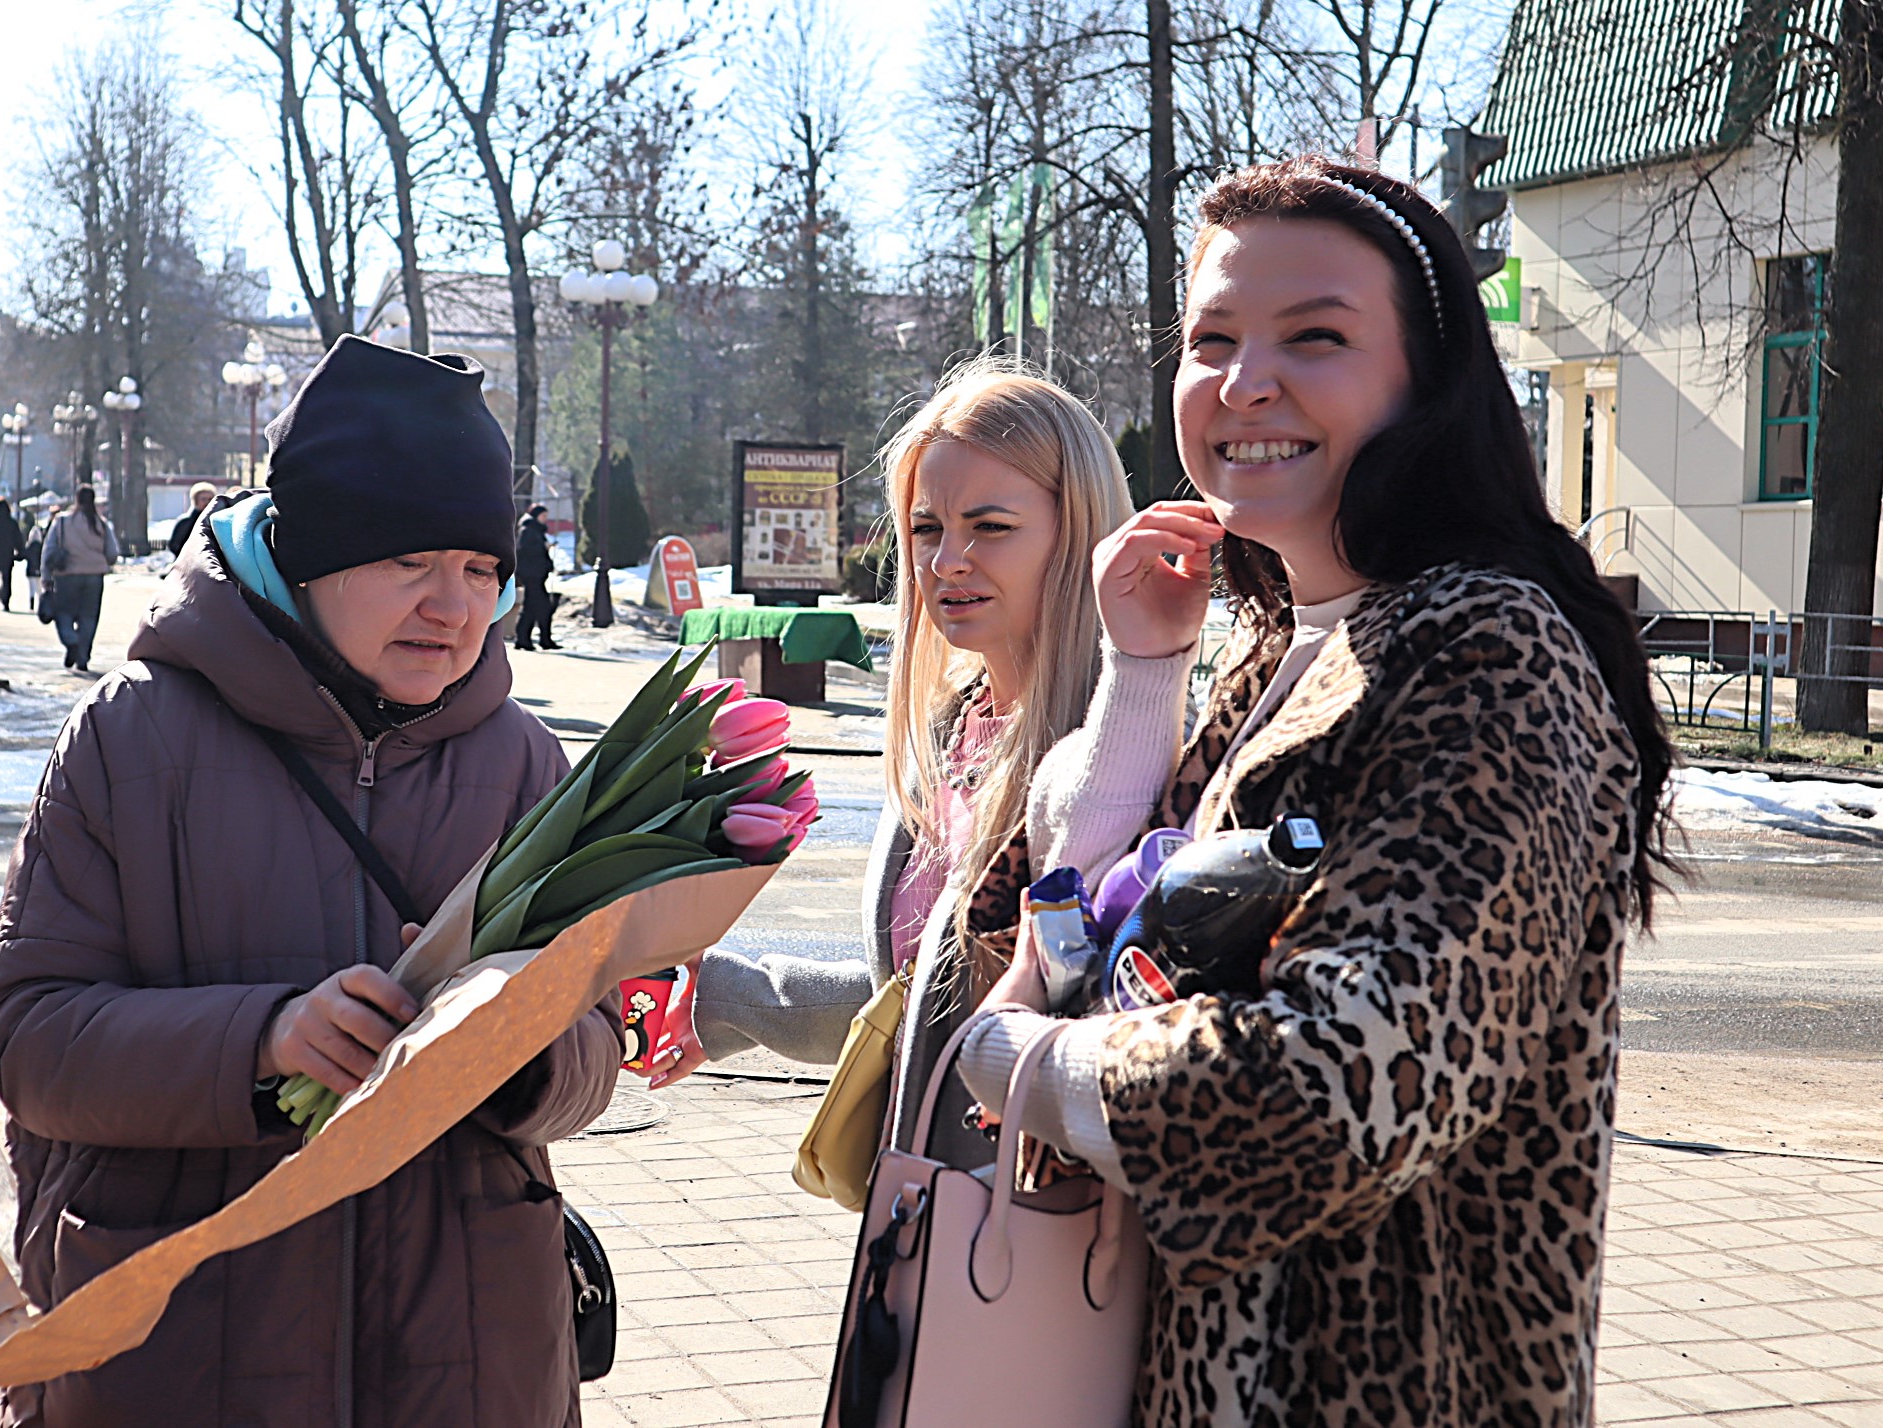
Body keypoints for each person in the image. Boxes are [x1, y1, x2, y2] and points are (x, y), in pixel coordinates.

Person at [953, 157, 1677, 1427]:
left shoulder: (1487, 652)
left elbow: (1338, 1087)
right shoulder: (1263, 641)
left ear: (1428, 380)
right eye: (1213, 338)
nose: (1244, 384)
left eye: (1317, 337)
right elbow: (1058, 933)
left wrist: (1034, 1069)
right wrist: (1141, 671)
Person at [0, 334, 626, 1427]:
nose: (454, 608)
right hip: (184, 1347)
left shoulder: (524, 763)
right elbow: (31, 1038)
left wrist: (520, 1057)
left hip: (466, 1349)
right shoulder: (130, 740)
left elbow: (597, 1048)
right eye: (409, 562)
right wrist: (267, 1042)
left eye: (480, 571)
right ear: (309, 551)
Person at [661, 359, 1135, 1170]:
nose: (948, 559)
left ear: (1078, 532)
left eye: (990, 526)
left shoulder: (1127, 755)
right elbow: (918, 1001)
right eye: (926, 528)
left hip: (1045, 1237)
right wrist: (722, 997)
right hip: (924, 1213)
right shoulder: (951, 731)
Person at [39, 485, 120, 670]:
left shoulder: (62, 522)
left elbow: (49, 550)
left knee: (64, 614)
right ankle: (82, 658)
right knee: (89, 617)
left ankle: (71, 641)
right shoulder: (100, 523)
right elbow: (112, 553)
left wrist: (45, 575)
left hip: (66, 575)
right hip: (94, 577)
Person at [513, 502, 559, 650]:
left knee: (532, 608)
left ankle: (526, 639)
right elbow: (525, 551)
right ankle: (538, 639)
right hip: (532, 576)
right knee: (542, 607)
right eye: (543, 515)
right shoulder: (528, 530)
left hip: (537, 576)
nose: (545, 519)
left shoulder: (536, 530)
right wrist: (544, 547)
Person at [167, 480, 217, 555]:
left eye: (210, 499)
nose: (207, 502)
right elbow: (174, 546)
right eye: (203, 499)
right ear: (195, 500)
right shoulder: (186, 521)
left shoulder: (216, 520)